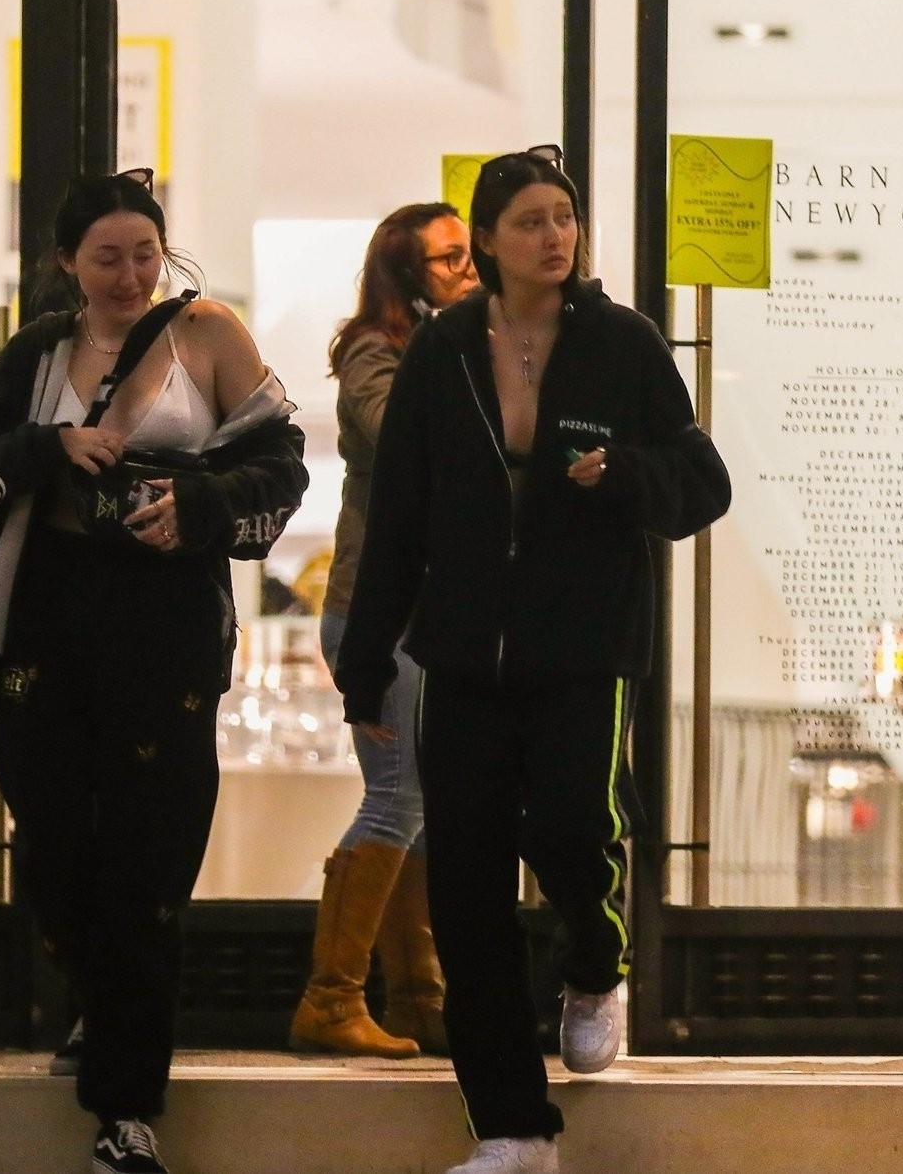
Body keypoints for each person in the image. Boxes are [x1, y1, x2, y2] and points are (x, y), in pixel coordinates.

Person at [333, 147, 731, 1173]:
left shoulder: (623, 343)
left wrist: (623, 474)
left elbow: (704, 482)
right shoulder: (443, 351)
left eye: (564, 217)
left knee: (572, 829)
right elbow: (400, 517)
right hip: (462, 654)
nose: (554, 236)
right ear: (487, 242)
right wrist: (365, 663)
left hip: (583, 647)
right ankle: (513, 1128)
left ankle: (594, 965)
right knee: (465, 887)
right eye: (530, 222)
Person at [0, 169, 308, 1173]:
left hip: (165, 623)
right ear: (68, 263)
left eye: (146, 253)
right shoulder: (39, 351)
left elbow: (284, 463)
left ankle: (126, 1115)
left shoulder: (209, 334)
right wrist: (51, 446)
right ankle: (98, 993)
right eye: (108, 257)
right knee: (51, 838)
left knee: (148, 865)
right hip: (45, 622)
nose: (132, 274)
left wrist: (200, 506)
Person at [291, 202, 478, 1058]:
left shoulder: (457, 346)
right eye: (450, 259)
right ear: (407, 275)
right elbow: (408, 438)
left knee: (425, 808)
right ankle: (331, 998)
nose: (469, 269)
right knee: (397, 795)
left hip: (428, 614)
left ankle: (418, 998)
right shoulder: (379, 350)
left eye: (469, 254)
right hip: (379, 612)